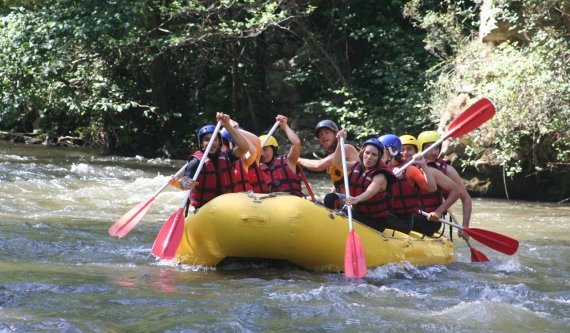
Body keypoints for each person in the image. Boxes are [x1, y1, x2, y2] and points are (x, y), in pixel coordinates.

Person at [170, 112, 250, 209]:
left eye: (214, 139)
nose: (211, 142)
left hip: (227, 208)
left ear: (219, 141)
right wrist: (184, 183)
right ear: (201, 144)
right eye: (207, 139)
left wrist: (228, 125)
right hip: (205, 210)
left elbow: (245, 148)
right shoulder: (195, 162)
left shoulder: (228, 157)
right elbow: (185, 178)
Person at [324, 130, 396, 232]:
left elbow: (370, 191)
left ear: (379, 158)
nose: (369, 157)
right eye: (367, 153)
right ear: (362, 153)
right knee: (330, 198)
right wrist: (341, 143)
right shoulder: (356, 165)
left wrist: (357, 199)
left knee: (346, 212)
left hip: (375, 221)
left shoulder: (381, 175)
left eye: (374, 155)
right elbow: (337, 163)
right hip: (358, 209)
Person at [400, 134, 462, 236]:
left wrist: (438, 211)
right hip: (410, 215)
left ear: (417, 151)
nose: (405, 153)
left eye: (409, 149)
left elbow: (457, 191)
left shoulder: (430, 170)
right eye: (402, 149)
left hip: (428, 220)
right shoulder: (397, 169)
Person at [417, 130, 473, 240]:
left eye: (437, 148)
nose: (434, 152)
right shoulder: (409, 163)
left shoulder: (447, 170)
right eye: (429, 147)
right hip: (413, 215)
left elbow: (466, 198)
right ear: (421, 148)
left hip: (430, 219)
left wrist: (465, 226)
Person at [379, 134, 437, 234]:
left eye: (381, 152)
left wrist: (423, 165)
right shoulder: (379, 169)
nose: (378, 155)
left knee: (373, 214)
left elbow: (432, 188)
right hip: (386, 213)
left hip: (403, 221)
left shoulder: (409, 169)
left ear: (393, 151)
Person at [297, 119, 359, 193]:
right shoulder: (332, 155)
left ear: (335, 135)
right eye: (321, 134)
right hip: (346, 198)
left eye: (327, 132)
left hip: (357, 198)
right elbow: (338, 183)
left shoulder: (346, 148)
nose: (323, 136)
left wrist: (297, 159)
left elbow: (319, 165)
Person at [258, 115, 303, 196]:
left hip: (292, 202)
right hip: (271, 205)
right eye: (260, 151)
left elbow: (296, 143)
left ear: (274, 149)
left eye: (265, 149)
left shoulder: (289, 161)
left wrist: (285, 126)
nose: (262, 154)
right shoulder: (257, 168)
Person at [220, 121, 262, 192]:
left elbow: (255, 144)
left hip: (243, 200)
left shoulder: (244, 162)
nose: (220, 148)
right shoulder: (216, 162)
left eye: (223, 145)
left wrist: (235, 130)